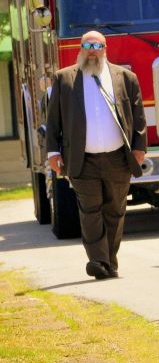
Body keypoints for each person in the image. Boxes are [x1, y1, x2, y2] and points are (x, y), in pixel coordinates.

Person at [46, 31, 146, 280]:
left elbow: (138, 116)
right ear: (80, 49)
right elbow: (53, 119)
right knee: (90, 210)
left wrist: (139, 148)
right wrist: (53, 152)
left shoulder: (126, 77)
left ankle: (109, 261)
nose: (92, 50)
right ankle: (98, 260)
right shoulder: (64, 78)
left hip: (117, 158)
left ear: (105, 48)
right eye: (87, 45)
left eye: (97, 45)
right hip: (82, 158)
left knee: (114, 211)